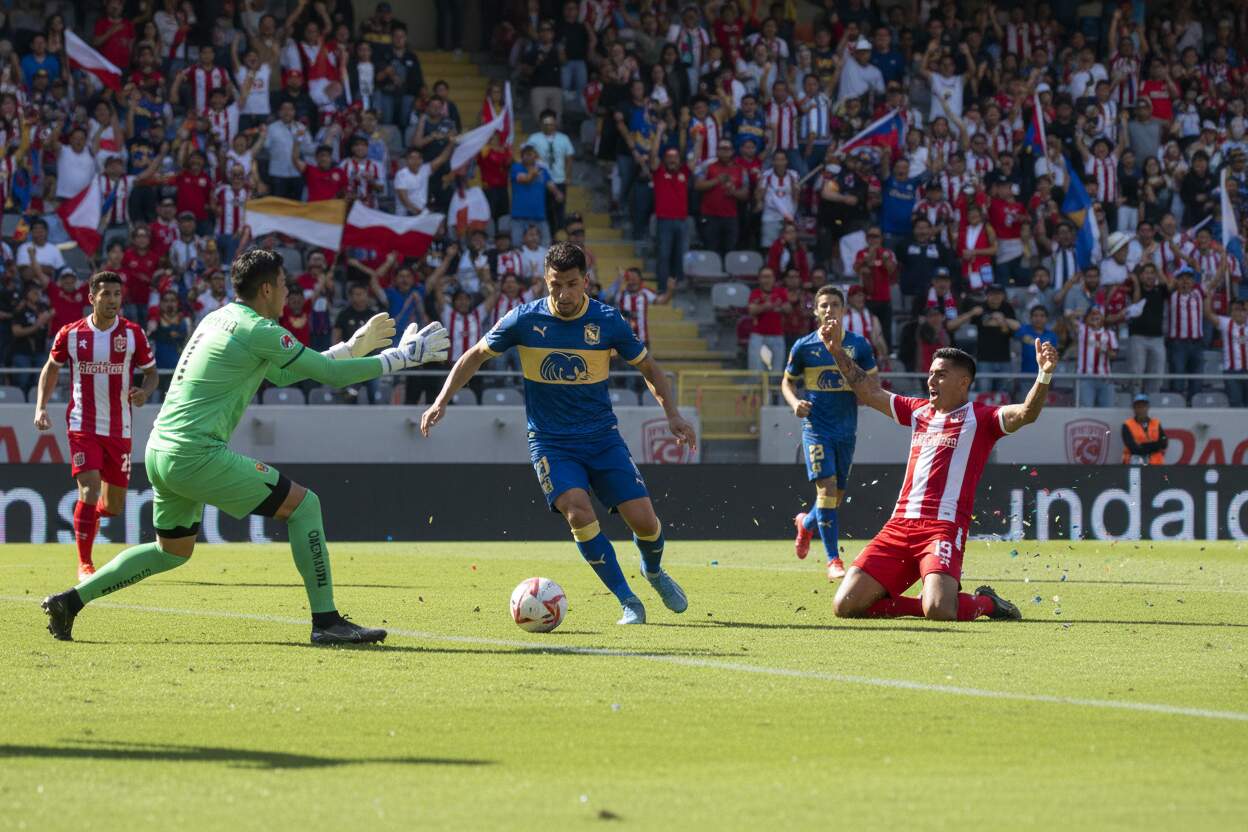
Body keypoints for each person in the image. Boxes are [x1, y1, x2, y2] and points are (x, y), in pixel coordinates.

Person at [39, 249, 451, 644]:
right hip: (195, 453)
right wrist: (400, 359)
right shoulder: (259, 329)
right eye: (285, 284)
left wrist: (353, 347)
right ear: (267, 289)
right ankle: (326, 622)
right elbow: (330, 376)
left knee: (171, 551)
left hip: (161, 450)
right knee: (305, 507)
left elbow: (288, 374)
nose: (290, 293)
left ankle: (70, 601)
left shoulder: (219, 319)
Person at [420, 242, 696, 625]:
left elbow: (650, 369)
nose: (563, 294)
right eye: (554, 286)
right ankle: (627, 600)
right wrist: (442, 400)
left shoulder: (608, 321)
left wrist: (673, 415)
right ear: (544, 281)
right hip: (551, 442)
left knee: (645, 523)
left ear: (585, 281)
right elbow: (475, 356)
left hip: (602, 438)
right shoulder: (523, 319)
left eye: (570, 284)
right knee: (579, 513)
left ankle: (653, 572)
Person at [823, 331, 1060, 622]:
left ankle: (987, 603)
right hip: (899, 525)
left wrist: (1044, 375)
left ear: (963, 382)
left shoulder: (981, 418)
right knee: (844, 606)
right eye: (931, 374)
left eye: (941, 375)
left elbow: (1026, 413)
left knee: (939, 610)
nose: (931, 382)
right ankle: (921, 603)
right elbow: (870, 393)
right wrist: (836, 351)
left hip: (942, 527)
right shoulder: (918, 411)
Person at [32, 271, 159, 580]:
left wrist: (145, 391)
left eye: (117, 294)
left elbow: (152, 373)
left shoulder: (133, 334)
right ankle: (85, 563)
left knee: (113, 506)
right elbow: (51, 369)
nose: (113, 300)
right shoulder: (71, 334)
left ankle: (89, 518)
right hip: (82, 425)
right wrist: (41, 407)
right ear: (92, 298)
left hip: (120, 429)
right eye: (106, 294)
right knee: (88, 489)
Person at [782, 287, 875, 580]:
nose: (829, 310)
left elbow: (872, 385)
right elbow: (786, 383)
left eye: (835, 304)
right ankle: (833, 560)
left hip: (847, 429)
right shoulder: (803, 346)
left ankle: (806, 524)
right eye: (824, 305)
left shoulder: (859, 345)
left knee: (835, 496)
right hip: (816, 429)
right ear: (815, 310)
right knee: (826, 490)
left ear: (844, 310)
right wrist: (796, 403)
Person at [1204, 289, 1248, 407]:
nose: (1239, 313)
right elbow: (1207, 313)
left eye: (1242, 309)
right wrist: (1208, 295)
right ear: (1231, 312)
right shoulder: (1225, 323)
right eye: (1235, 309)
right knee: (1236, 405)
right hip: (1232, 372)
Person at [1121, 393, 1168, 465]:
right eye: (1138, 406)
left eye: (1143, 406)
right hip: (1135, 463)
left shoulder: (1156, 423)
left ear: (1148, 407)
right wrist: (1155, 446)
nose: (1141, 409)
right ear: (1134, 408)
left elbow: (1164, 443)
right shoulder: (1127, 425)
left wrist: (1142, 446)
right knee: (1135, 459)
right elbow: (1133, 448)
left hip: (1156, 464)